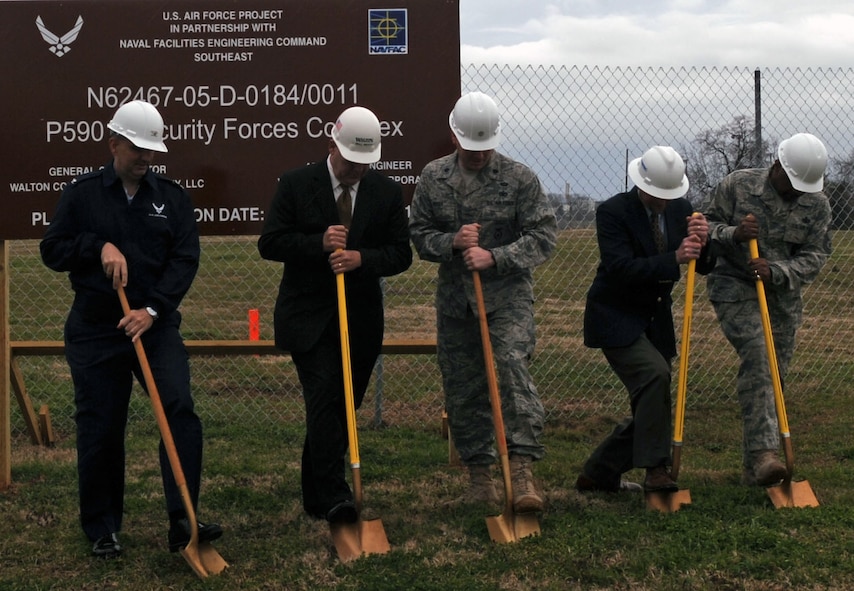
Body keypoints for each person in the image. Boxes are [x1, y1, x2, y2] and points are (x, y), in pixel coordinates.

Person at [40, 100, 221, 558]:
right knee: (100, 424)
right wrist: (97, 245)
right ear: (114, 142)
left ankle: (184, 519)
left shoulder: (172, 198)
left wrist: (153, 311)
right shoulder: (82, 194)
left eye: (152, 150)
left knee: (178, 409)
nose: (146, 158)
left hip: (154, 327)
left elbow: (185, 260)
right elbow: (53, 249)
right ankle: (102, 527)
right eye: (138, 148)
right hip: (96, 328)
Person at [258, 106, 412, 524]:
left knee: (345, 406)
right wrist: (318, 243)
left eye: (364, 164)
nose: (356, 171)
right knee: (327, 397)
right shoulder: (296, 184)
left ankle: (314, 493)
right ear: (331, 146)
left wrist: (363, 258)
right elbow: (270, 243)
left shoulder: (385, 192)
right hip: (308, 319)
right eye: (349, 162)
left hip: (359, 320)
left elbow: (401, 254)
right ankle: (336, 495)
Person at [409, 91, 557, 513]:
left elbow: (543, 236)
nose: (478, 155)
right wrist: (451, 243)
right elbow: (418, 234)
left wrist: (496, 256)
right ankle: (480, 477)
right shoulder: (433, 177)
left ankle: (523, 471)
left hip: (507, 298)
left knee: (510, 369)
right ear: (454, 136)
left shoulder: (519, 178)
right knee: (462, 384)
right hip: (457, 303)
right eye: (471, 147)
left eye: (485, 147)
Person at [576, 146, 713, 494]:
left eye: (671, 195)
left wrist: (703, 241)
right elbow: (620, 268)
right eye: (659, 195)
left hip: (655, 317)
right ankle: (656, 470)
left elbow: (704, 264)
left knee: (654, 398)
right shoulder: (613, 212)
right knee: (654, 375)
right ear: (642, 184)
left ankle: (599, 472)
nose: (665, 202)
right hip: (615, 316)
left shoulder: (681, 209)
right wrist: (674, 257)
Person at [705, 132, 832, 487]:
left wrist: (778, 270)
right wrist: (735, 234)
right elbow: (704, 227)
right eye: (791, 183)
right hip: (735, 285)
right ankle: (765, 455)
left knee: (774, 374)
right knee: (760, 357)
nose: (795, 192)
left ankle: (755, 468)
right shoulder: (738, 186)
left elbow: (816, 255)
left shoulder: (816, 203)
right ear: (776, 166)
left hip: (781, 296)